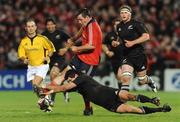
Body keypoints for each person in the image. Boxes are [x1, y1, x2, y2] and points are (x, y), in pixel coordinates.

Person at [42, 69, 171, 115]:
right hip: (110, 105)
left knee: (129, 95)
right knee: (134, 111)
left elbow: (63, 88)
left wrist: (44, 86)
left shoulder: (82, 77)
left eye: (70, 79)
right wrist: (46, 93)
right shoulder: (76, 86)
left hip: (110, 93)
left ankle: (152, 100)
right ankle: (161, 110)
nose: (69, 81)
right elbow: (61, 90)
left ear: (74, 76)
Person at [52, 8, 103, 116]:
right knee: (64, 73)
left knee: (84, 86)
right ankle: (46, 95)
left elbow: (91, 45)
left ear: (87, 18)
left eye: (80, 20)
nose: (79, 22)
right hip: (80, 57)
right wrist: (71, 41)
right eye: (78, 20)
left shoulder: (93, 27)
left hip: (90, 61)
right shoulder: (86, 24)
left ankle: (88, 108)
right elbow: (77, 35)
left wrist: (76, 48)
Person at [116, 5, 157, 93]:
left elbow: (146, 36)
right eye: (122, 13)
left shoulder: (136, 24)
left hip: (139, 55)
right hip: (127, 56)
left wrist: (133, 42)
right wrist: (117, 42)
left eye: (125, 13)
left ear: (130, 14)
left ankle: (149, 80)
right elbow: (121, 39)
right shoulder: (119, 26)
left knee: (141, 80)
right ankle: (122, 102)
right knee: (125, 78)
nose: (123, 14)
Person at [18, 18, 55, 111]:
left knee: (35, 84)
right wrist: (24, 59)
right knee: (37, 89)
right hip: (31, 67)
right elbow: (21, 54)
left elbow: (51, 49)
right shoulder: (23, 41)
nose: (30, 28)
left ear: (36, 28)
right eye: (28, 26)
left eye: (32, 26)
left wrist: (48, 57)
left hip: (42, 65)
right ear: (26, 28)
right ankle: (47, 103)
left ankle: (47, 97)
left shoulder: (42, 39)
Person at [42, 17, 70, 104]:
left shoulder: (60, 33)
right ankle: (64, 89)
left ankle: (52, 99)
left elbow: (70, 40)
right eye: (48, 24)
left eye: (51, 24)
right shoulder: (43, 35)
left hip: (59, 57)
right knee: (54, 78)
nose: (50, 26)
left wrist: (65, 49)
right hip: (49, 59)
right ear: (46, 26)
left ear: (55, 25)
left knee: (53, 74)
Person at [102, 19, 123, 88]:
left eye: (119, 24)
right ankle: (122, 92)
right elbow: (103, 44)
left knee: (120, 75)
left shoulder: (126, 34)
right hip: (114, 59)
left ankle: (123, 92)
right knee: (118, 78)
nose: (117, 26)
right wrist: (107, 52)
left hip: (124, 58)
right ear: (113, 26)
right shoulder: (110, 35)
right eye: (115, 24)